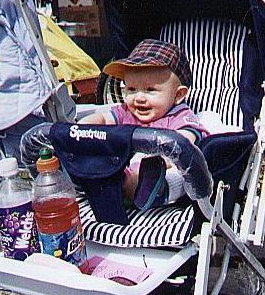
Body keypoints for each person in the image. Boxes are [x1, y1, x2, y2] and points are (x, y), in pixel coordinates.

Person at [79, 39, 208, 210]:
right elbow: (103, 119)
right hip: (122, 169)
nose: (139, 97)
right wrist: (79, 129)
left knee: (181, 174)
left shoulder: (180, 116)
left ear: (178, 95)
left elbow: (185, 140)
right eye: (131, 89)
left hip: (161, 171)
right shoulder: (126, 112)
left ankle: (157, 190)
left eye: (150, 90)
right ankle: (94, 181)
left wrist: (164, 159)